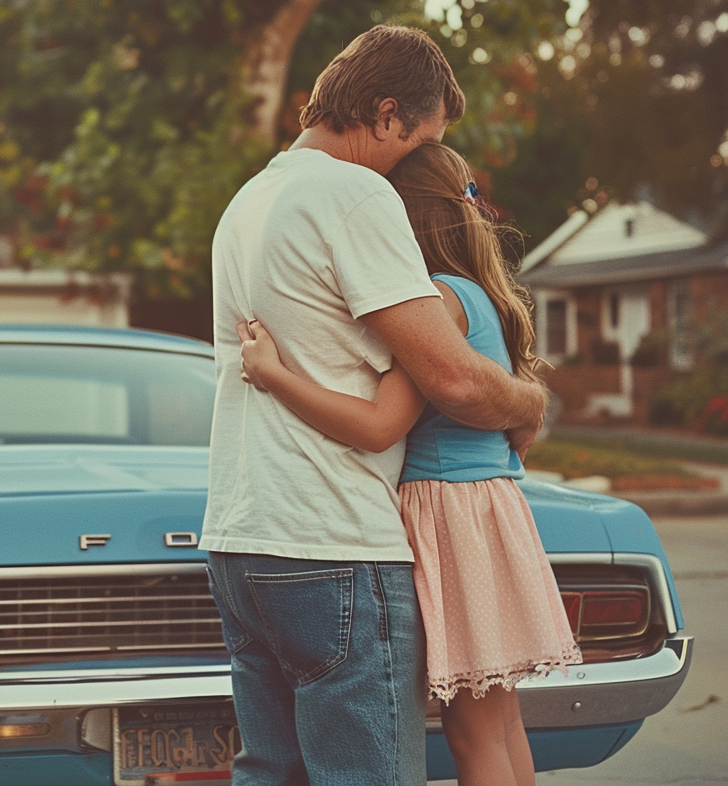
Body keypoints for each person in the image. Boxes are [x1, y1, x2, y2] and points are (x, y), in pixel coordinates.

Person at [201, 24, 547, 786]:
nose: (408, 165)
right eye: (416, 138)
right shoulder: (354, 192)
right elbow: (452, 379)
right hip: (331, 541)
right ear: (386, 115)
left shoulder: (249, 199)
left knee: (274, 772)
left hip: (240, 535)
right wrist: (526, 403)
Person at [236, 142, 582, 786]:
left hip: (447, 512)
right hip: (491, 507)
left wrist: (273, 375)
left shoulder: (434, 301)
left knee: (471, 733)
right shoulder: (483, 296)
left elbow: (377, 426)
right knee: (501, 724)